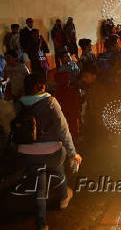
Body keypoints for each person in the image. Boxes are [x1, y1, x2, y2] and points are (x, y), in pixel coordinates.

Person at [17, 74, 82, 230]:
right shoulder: (50, 102)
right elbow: (63, 130)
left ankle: (42, 224)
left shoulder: (18, 103)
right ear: (41, 86)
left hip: (27, 154)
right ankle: (64, 198)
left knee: (39, 188)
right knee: (59, 164)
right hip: (52, 153)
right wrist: (74, 153)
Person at [54, 71, 82, 145]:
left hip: (63, 119)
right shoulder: (73, 90)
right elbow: (78, 104)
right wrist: (79, 116)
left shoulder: (57, 92)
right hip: (73, 118)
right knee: (73, 137)